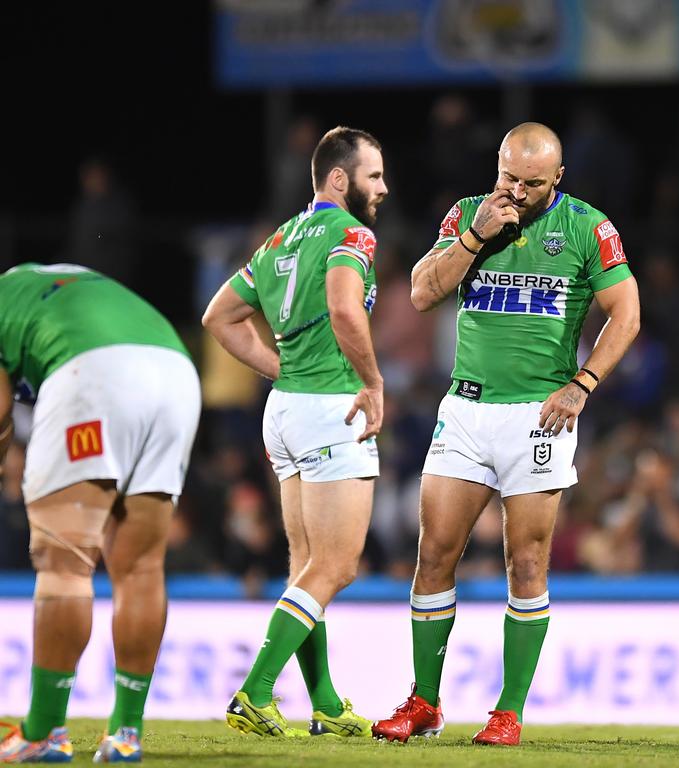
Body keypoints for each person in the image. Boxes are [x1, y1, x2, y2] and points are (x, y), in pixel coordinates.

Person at [372, 122, 640, 746]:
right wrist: (475, 236)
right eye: (508, 179)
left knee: (526, 561)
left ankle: (509, 710)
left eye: (533, 184)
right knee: (433, 554)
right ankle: (425, 702)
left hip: (538, 415)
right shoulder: (468, 214)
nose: (517, 193)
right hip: (465, 409)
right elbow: (420, 293)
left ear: (558, 179)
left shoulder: (587, 227)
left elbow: (626, 313)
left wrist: (583, 384)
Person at [202, 125, 388, 739]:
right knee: (335, 567)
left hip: (284, 411)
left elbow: (219, 317)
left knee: (307, 566)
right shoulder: (351, 234)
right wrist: (373, 381)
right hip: (332, 408)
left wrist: (281, 369)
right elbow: (342, 306)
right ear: (340, 178)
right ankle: (256, 690)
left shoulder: (282, 237)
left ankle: (327, 704)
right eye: (374, 175)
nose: (383, 188)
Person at [0, 263, 200, 764]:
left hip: (94, 375)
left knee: (64, 560)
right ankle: (126, 732)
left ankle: (44, 731)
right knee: (141, 566)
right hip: (177, 369)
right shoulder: (42, 282)